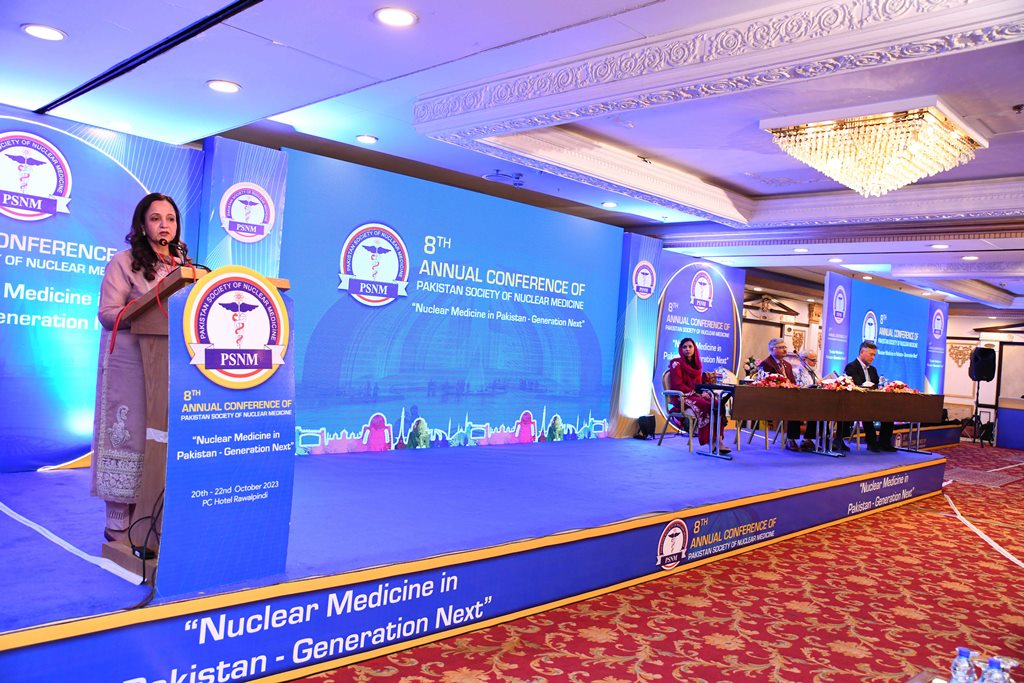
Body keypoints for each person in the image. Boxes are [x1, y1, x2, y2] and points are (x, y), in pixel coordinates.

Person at [91, 193, 186, 545]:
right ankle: (118, 521)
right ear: (142, 225)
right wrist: (144, 308)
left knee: (159, 439)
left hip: (168, 364)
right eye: (156, 218)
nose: (164, 225)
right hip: (130, 363)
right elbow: (107, 314)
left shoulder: (183, 266)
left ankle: (152, 516)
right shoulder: (124, 262)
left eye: (170, 219)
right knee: (128, 436)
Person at [668, 338, 729, 454]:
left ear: (694, 348)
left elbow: (698, 385)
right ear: (681, 349)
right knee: (706, 406)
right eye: (684, 347)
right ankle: (712, 443)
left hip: (695, 395)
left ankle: (719, 441)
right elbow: (677, 385)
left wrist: (703, 393)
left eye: (690, 346)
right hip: (682, 397)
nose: (687, 349)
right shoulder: (676, 363)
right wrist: (697, 393)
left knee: (717, 404)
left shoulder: (697, 365)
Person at [758, 338, 815, 452]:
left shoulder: (787, 365)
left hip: (789, 398)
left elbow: (793, 383)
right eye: (781, 347)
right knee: (794, 408)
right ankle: (791, 439)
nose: (785, 350)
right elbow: (766, 385)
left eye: (785, 347)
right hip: (774, 400)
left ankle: (807, 439)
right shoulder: (766, 364)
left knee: (814, 408)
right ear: (772, 350)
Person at [843, 340, 896, 452]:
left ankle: (884, 442)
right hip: (857, 403)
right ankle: (871, 442)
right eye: (871, 354)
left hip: (873, 401)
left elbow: (876, 386)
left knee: (890, 411)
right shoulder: (851, 367)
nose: (873, 357)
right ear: (862, 352)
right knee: (867, 412)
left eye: (874, 355)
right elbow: (858, 385)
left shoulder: (873, 369)